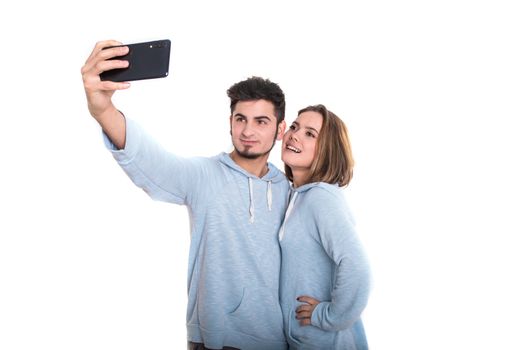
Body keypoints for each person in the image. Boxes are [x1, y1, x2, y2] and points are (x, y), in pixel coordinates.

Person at [81, 40, 290, 350]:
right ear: (230, 121)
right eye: (240, 119)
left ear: (280, 129)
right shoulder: (203, 175)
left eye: (261, 122)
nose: (248, 131)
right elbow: (153, 162)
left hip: (278, 341)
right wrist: (103, 109)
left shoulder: (291, 190)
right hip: (213, 338)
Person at [278, 104, 371, 349]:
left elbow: (357, 266)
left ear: (328, 150)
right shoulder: (297, 197)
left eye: (310, 133)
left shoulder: (320, 198)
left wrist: (328, 316)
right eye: (295, 127)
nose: (294, 135)